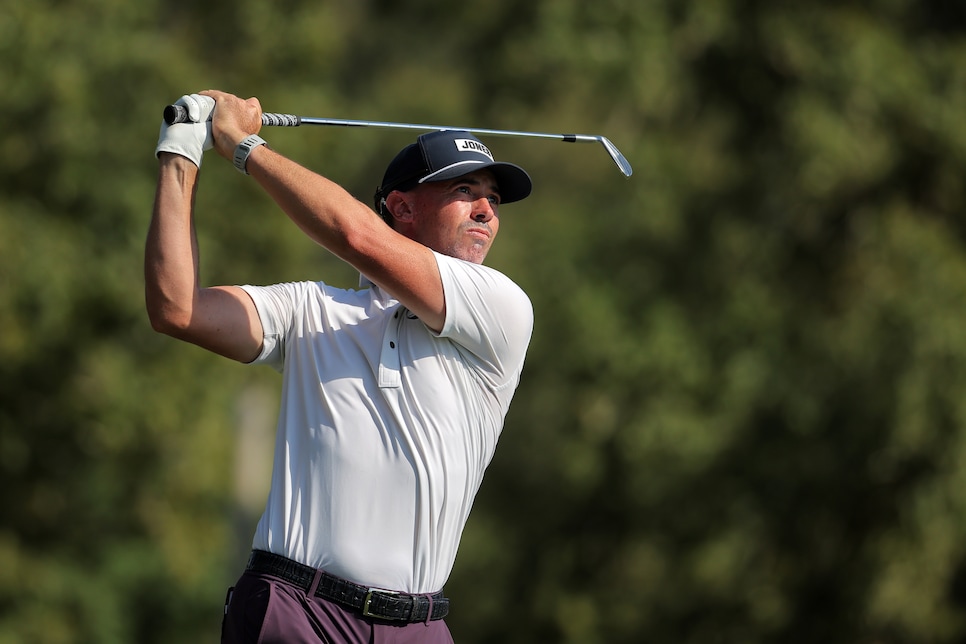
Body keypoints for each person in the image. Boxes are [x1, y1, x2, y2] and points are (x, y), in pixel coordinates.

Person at [145, 91, 534, 643]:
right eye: (464, 190)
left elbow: (358, 237)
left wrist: (244, 146)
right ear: (402, 208)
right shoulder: (312, 311)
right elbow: (177, 308)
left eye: (493, 198)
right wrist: (180, 150)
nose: (486, 211)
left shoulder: (500, 308)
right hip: (295, 611)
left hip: (419, 626)